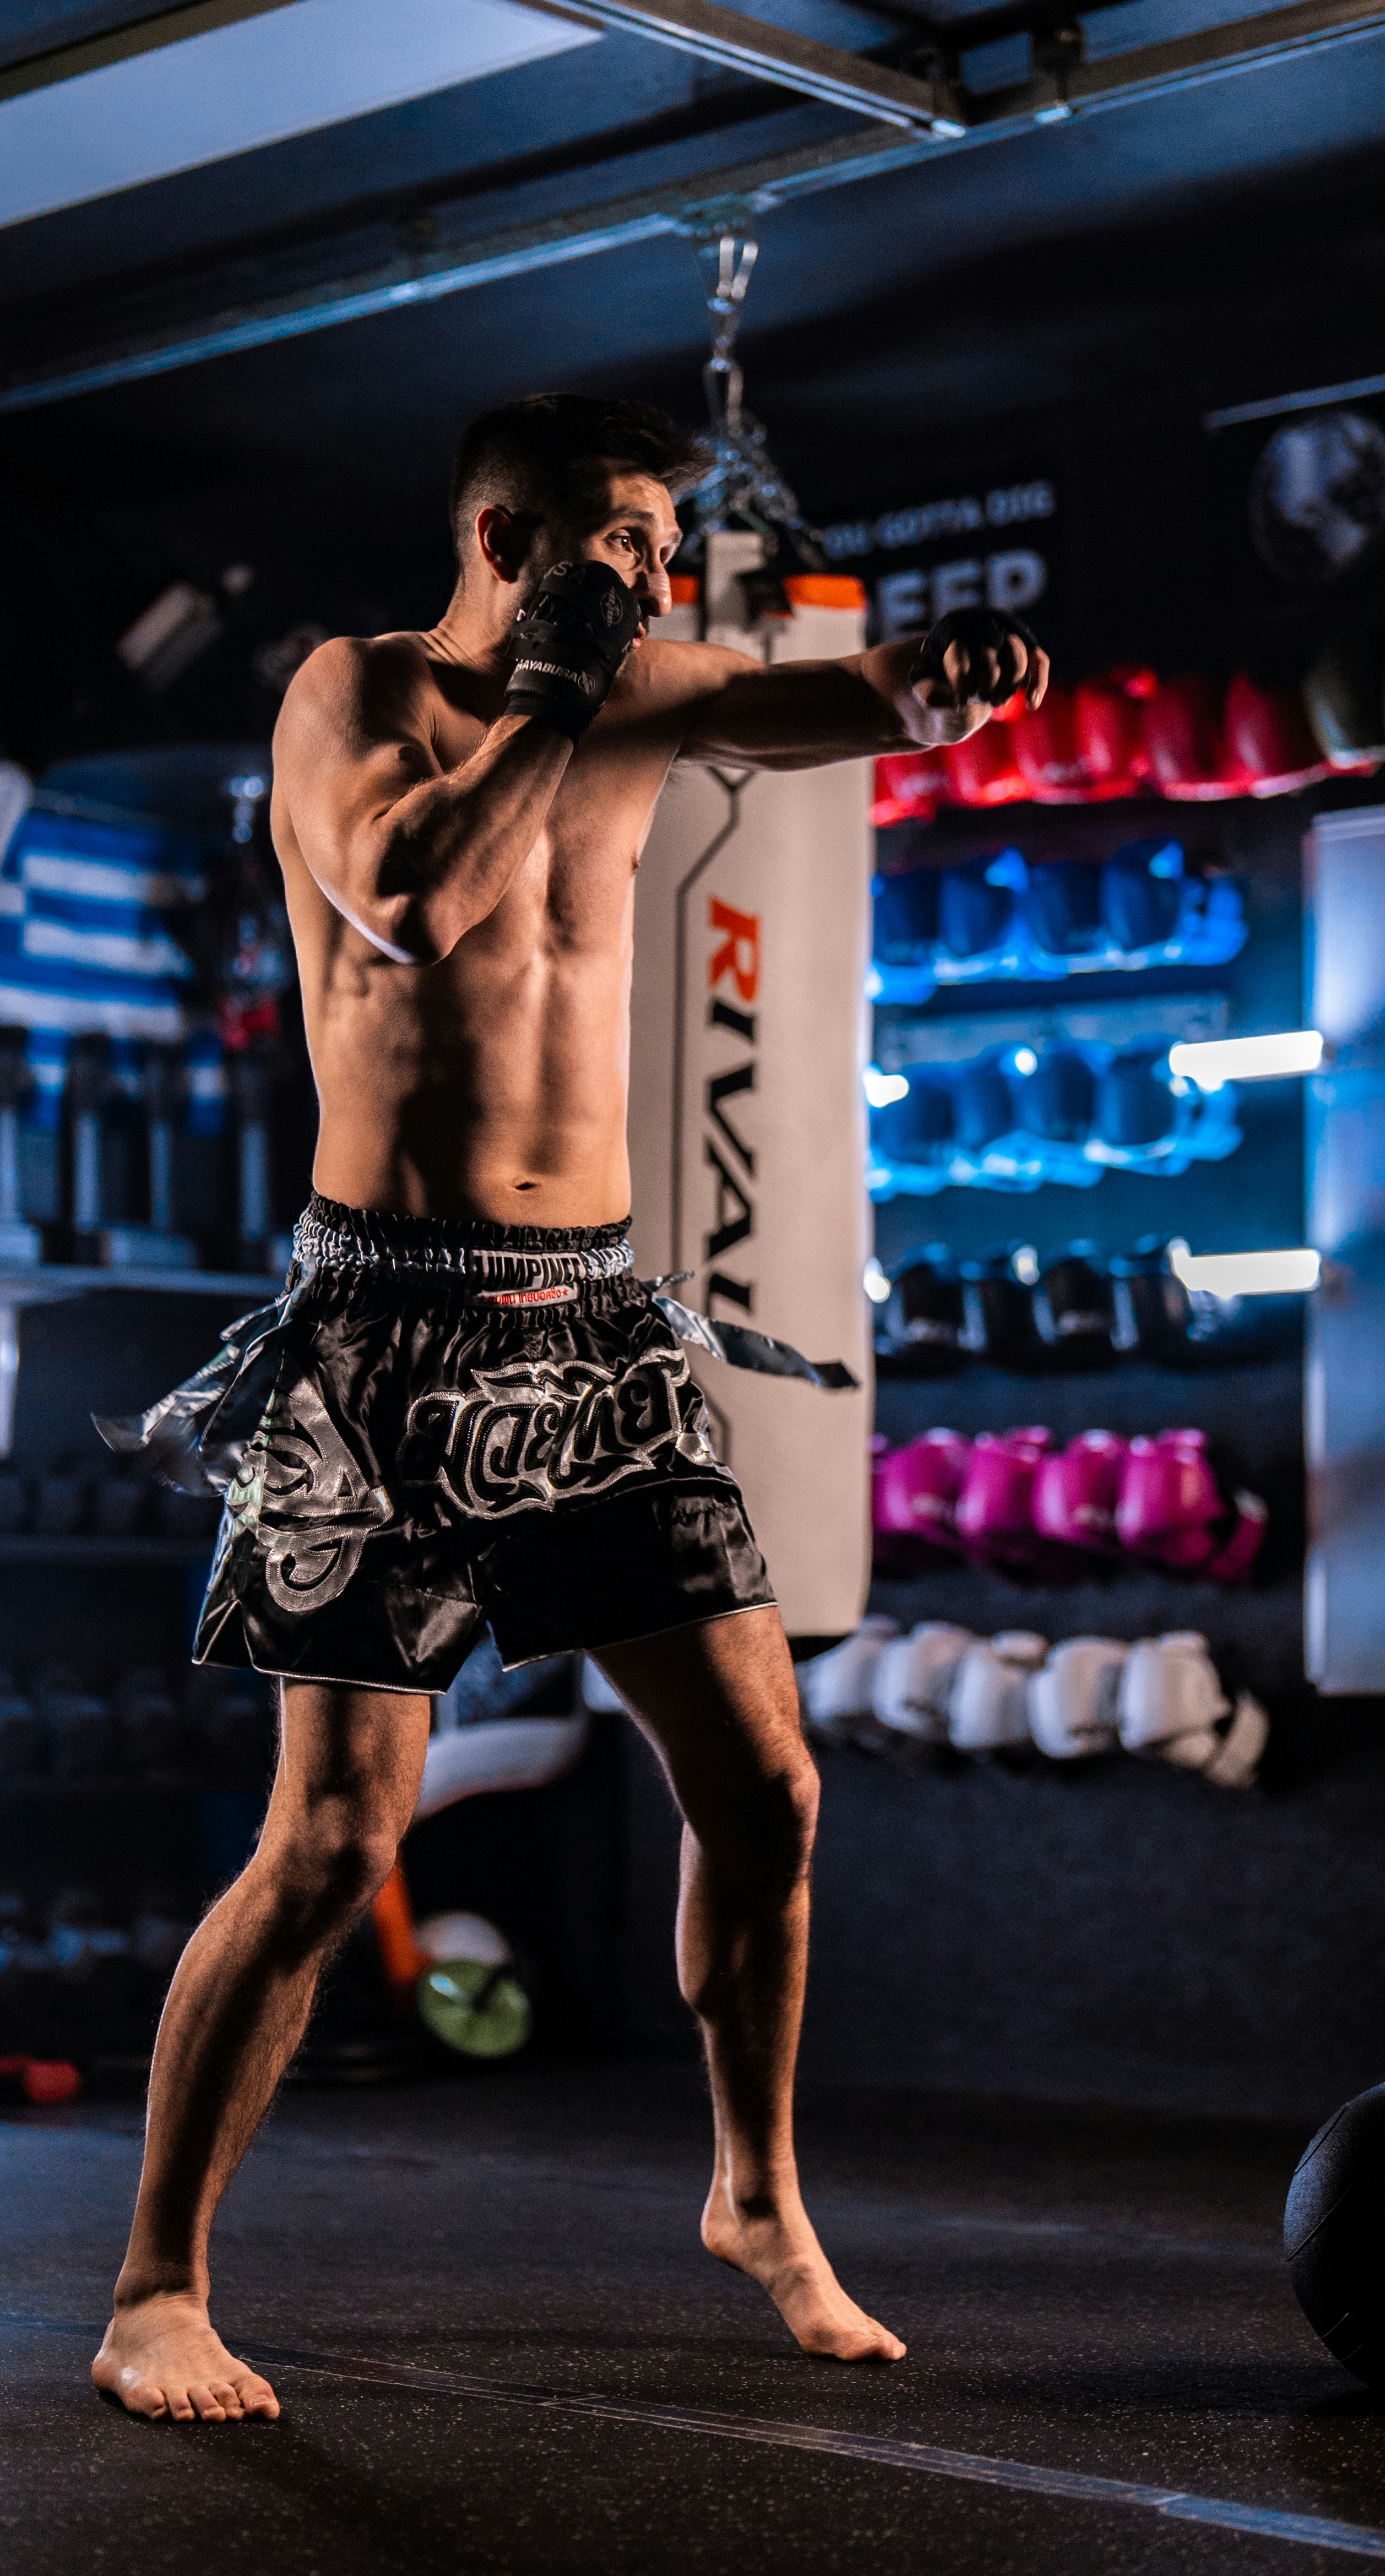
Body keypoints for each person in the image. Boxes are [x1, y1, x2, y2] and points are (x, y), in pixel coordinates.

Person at [91, 393, 1049, 2422]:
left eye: (668, 552)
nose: (657, 581)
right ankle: (157, 2287)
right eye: (624, 544)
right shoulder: (353, 695)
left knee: (769, 1785)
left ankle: (755, 2197)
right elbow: (410, 900)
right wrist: (549, 698)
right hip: (379, 1338)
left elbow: (847, 702)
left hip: (597, 1329)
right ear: (505, 541)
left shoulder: (651, 693)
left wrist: (940, 683)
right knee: (334, 1840)